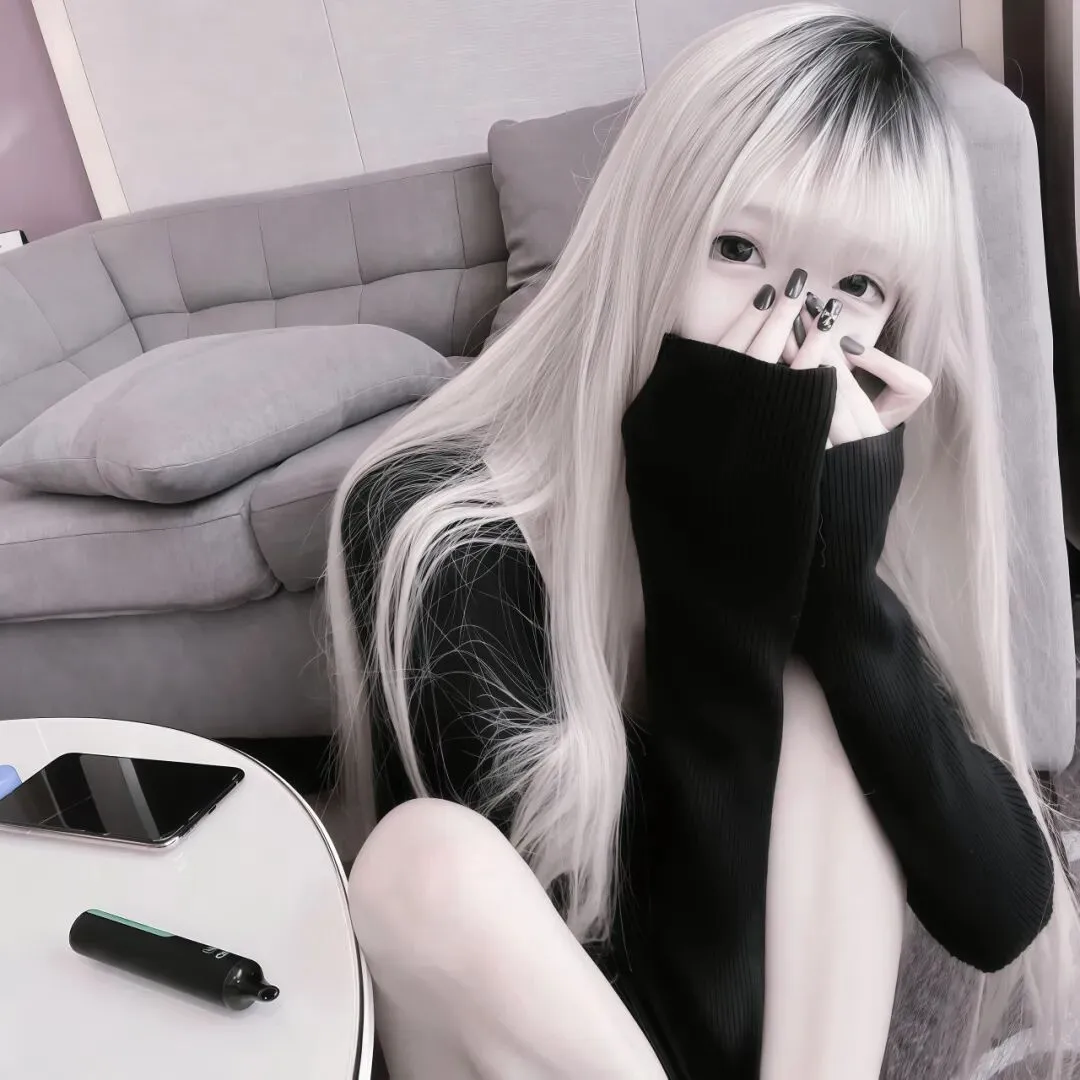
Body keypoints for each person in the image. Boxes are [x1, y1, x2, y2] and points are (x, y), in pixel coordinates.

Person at [322, 4, 1080, 1078]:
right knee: (421, 864)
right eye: (737, 250)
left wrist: (841, 600)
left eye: (855, 290)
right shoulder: (435, 526)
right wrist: (712, 587)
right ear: (646, 237)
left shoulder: (815, 493)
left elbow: (1002, 911)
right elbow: (677, 1031)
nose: (788, 329)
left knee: (821, 699)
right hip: (540, 1047)